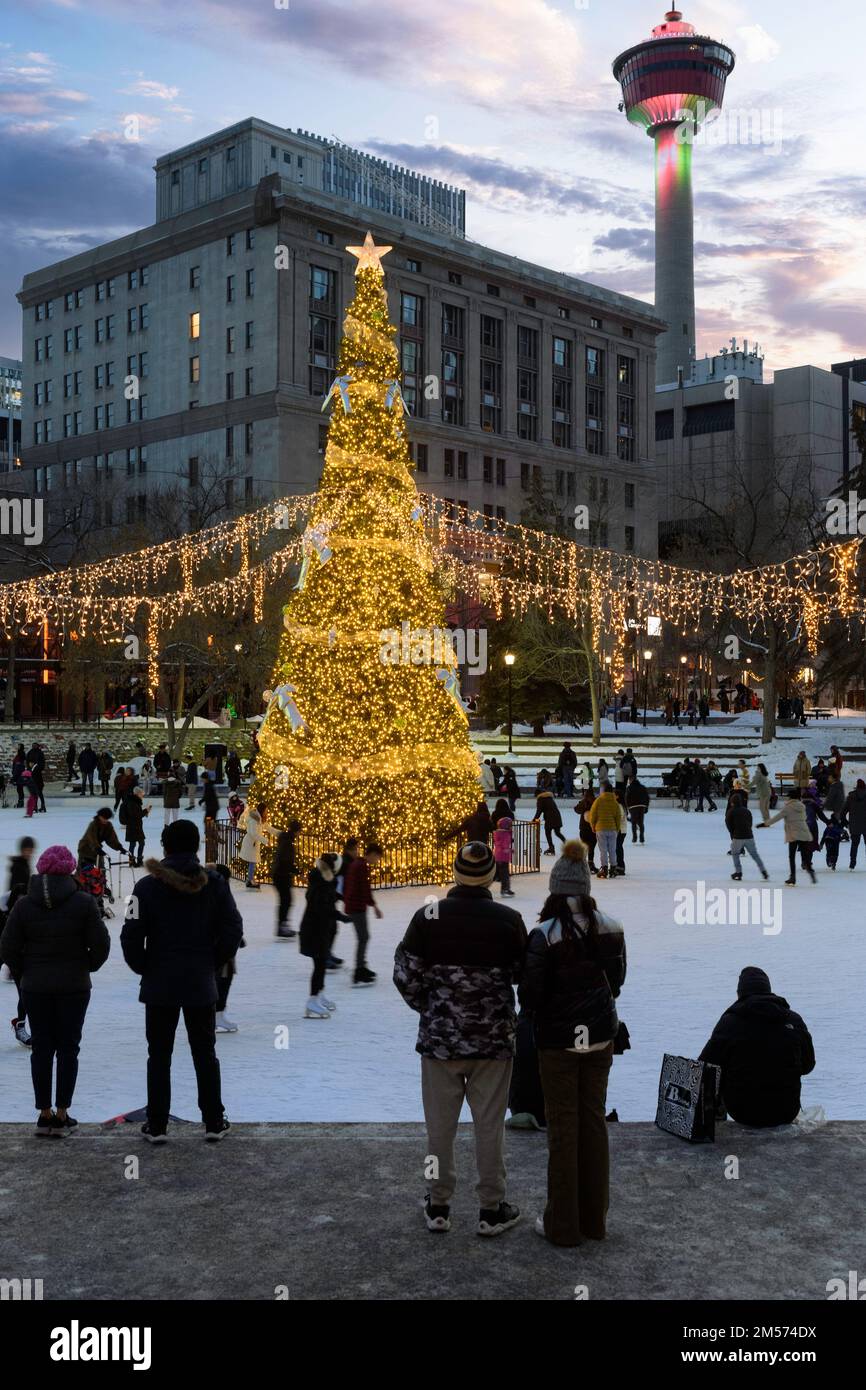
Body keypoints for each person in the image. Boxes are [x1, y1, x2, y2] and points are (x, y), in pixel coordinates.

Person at [393, 840, 527, 1237]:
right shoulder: (509, 920)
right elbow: (525, 975)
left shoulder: (427, 916)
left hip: (441, 1044)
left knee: (439, 1128)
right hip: (494, 1043)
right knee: (489, 1128)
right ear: (489, 876)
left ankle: (438, 1204)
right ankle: (490, 1208)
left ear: (455, 873)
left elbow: (404, 975)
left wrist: (433, 1010)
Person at [120, 819, 243, 1143]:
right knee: (205, 1052)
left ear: (165, 847)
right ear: (196, 847)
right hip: (200, 981)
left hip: (159, 981)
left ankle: (157, 1123)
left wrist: (145, 967)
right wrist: (211, 962)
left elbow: (130, 934)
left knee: (159, 1054)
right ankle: (213, 1120)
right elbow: (233, 928)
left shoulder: (144, 888)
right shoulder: (214, 883)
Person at [518, 888, 626, 1246]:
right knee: (593, 1121)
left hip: (560, 1042)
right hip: (599, 1035)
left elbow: (530, 994)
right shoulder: (610, 925)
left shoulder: (545, 933)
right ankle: (595, 1221)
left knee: (563, 1127)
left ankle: (563, 1225)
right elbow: (617, 982)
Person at [0, 845, 110, 1137]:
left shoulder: (24, 904)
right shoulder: (84, 903)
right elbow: (101, 944)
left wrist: (26, 972)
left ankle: (44, 1112)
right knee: (68, 1048)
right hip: (74, 986)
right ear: (70, 870)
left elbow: (7, 946)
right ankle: (62, 1113)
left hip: (35, 987)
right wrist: (86, 965)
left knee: (42, 1049)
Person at [699, 967, 815, 1128]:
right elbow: (808, 1065)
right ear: (768, 990)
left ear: (740, 993)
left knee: (714, 1074)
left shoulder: (729, 1022)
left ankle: (717, 1125)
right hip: (786, 1111)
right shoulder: (794, 1020)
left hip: (743, 1112)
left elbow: (705, 1066)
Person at [299, 853, 351, 1018]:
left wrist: (341, 898)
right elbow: (324, 908)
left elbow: (328, 898)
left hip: (318, 930)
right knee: (319, 965)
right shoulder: (322, 884)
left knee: (320, 964)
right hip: (315, 931)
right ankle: (312, 999)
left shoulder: (321, 880)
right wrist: (342, 917)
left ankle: (318, 995)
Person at [2, 836, 36, 1046]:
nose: (28, 852)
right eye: (26, 849)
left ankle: (20, 1024)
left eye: (30, 850)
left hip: (21, 947)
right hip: (9, 939)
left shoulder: (25, 866)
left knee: (25, 991)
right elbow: (13, 891)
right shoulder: (18, 868)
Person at [343, 843, 384, 984]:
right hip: (356, 906)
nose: (377, 861)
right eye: (377, 858)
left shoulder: (358, 864)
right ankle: (359, 971)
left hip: (356, 905)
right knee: (363, 938)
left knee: (363, 937)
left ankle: (361, 967)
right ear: (372, 854)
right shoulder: (360, 866)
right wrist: (375, 906)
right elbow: (364, 888)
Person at [766, 789, 816, 886]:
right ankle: (810, 872)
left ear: (790, 797)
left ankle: (792, 877)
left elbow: (777, 818)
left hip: (793, 834)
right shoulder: (802, 806)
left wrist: (765, 824)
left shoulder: (788, 807)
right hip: (803, 832)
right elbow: (804, 817)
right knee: (805, 857)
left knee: (792, 856)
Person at [726, 791, 768, 881]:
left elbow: (728, 824)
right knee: (755, 855)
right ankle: (763, 871)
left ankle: (738, 872)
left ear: (732, 802)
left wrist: (733, 833)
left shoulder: (731, 811)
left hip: (737, 837)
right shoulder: (747, 811)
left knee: (735, 853)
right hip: (749, 836)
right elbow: (750, 822)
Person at [272, 821, 301, 939]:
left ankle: (282, 926)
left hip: (280, 874)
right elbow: (286, 861)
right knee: (286, 900)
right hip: (281, 875)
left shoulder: (285, 839)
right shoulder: (288, 843)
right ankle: (282, 927)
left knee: (286, 900)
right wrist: (297, 872)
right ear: (296, 831)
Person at [588, 784, 620, 879]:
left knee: (603, 850)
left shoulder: (598, 800)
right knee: (612, 849)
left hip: (601, 828)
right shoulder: (615, 802)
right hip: (612, 829)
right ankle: (613, 868)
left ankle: (604, 868)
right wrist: (617, 829)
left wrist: (593, 826)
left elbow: (593, 815)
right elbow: (618, 817)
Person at [239, 802, 270, 889]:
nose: (266, 812)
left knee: (252, 862)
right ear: (262, 810)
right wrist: (265, 841)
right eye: (266, 811)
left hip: (253, 844)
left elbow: (269, 828)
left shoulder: (259, 819)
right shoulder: (254, 820)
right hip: (250, 843)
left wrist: (279, 833)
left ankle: (250, 880)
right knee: (252, 861)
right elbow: (254, 833)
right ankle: (250, 881)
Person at [122, 785, 149, 868]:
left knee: (139, 843)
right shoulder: (132, 802)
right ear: (137, 794)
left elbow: (137, 814)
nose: (142, 796)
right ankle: (132, 861)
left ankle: (137, 860)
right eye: (142, 794)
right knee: (134, 844)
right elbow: (136, 815)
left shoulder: (135, 801)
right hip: (133, 826)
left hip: (136, 826)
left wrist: (144, 812)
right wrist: (145, 811)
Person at [535, 787, 566, 856]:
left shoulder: (541, 799)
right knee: (557, 832)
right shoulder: (549, 797)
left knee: (548, 832)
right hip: (557, 817)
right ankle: (567, 845)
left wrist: (534, 820)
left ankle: (551, 848)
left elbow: (539, 811)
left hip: (550, 818)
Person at [844, 778, 866, 870]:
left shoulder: (851, 797)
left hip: (854, 825)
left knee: (854, 845)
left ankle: (852, 864)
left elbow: (843, 812)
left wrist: (845, 823)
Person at [574, 789, 598, 872]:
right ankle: (590, 863)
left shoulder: (583, 802)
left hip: (583, 828)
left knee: (584, 847)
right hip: (593, 828)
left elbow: (576, 809)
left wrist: (582, 803)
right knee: (591, 847)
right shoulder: (596, 801)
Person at [492, 815, 515, 897]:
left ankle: (504, 889)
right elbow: (505, 846)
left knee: (497, 874)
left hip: (497, 856)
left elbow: (499, 844)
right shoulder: (505, 834)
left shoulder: (498, 833)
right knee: (505, 875)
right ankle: (505, 889)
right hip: (503, 857)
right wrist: (510, 850)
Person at [624, 774, 650, 844]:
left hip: (633, 807)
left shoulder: (629, 788)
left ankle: (634, 838)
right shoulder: (642, 787)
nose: (628, 781)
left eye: (629, 780)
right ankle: (642, 838)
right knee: (641, 823)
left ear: (631, 780)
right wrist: (646, 806)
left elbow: (627, 798)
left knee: (634, 822)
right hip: (641, 806)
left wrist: (627, 807)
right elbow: (647, 797)